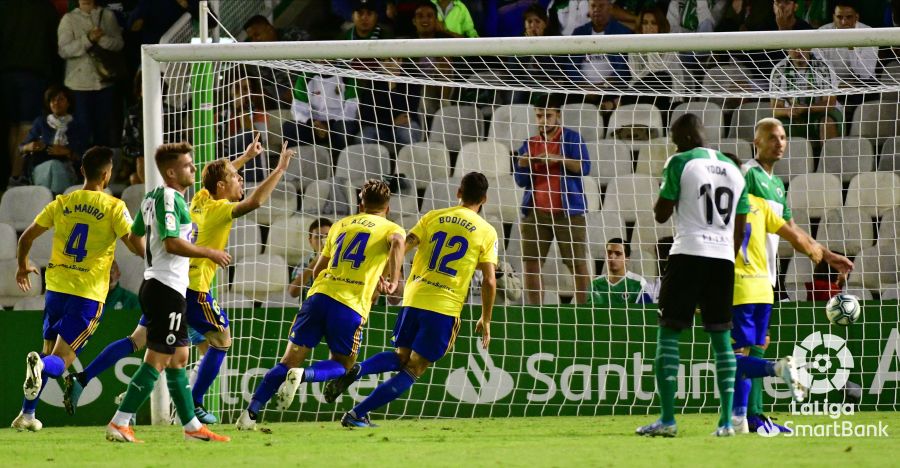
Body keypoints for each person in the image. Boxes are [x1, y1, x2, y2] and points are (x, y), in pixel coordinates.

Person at [65, 136, 292, 425]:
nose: (241, 180)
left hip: (167, 284)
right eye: (237, 178)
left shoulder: (199, 199)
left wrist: (245, 158)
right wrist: (280, 169)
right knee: (220, 341)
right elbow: (257, 200)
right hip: (193, 289)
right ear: (222, 187)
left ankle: (84, 378)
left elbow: (217, 180)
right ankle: (191, 405)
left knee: (140, 340)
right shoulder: (220, 210)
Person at [322, 172, 497, 427]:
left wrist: (386, 276)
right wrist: (486, 318)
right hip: (443, 306)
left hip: (413, 298)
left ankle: (358, 370)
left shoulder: (432, 217)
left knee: (401, 356)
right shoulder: (486, 231)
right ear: (484, 198)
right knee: (414, 368)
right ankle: (358, 413)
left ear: (458, 193)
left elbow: (402, 246)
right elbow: (490, 281)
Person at [235, 179, 405, 430]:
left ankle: (250, 414)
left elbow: (316, 270)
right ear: (387, 208)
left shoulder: (341, 225)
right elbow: (399, 243)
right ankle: (304, 376)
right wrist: (392, 279)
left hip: (318, 297)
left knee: (287, 361)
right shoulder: (392, 228)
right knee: (343, 364)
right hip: (349, 305)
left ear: (360, 204)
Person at [105, 142, 232, 443]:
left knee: (179, 357)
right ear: (172, 171)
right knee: (158, 359)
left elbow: (135, 236)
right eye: (188, 165)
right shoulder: (170, 198)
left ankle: (191, 427)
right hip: (165, 288)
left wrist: (151, 257)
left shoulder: (152, 197)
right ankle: (120, 422)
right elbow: (173, 243)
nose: (193, 169)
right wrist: (208, 252)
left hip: (163, 285)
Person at [10, 146, 144, 432]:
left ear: (82, 171)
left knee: (46, 353)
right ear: (107, 175)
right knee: (59, 360)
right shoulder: (114, 206)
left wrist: (22, 266)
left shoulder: (62, 202)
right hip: (87, 293)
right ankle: (40, 377)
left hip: (56, 288)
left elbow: (26, 238)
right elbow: (135, 246)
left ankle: (27, 414)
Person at [636, 113, 749, 437]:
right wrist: (726, 253)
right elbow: (739, 230)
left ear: (684, 138)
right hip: (723, 259)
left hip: (688, 253)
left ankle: (668, 420)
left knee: (669, 334)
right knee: (721, 340)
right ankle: (727, 423)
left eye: (673, 137)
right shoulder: (735, 169)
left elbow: (660, 214)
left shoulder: (680, 161)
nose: (672, 143)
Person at [730, 188, 853, 434]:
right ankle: (747, 418)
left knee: (734, 355)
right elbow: (795, 235)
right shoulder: (763, 203)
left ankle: (746, 412)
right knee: (751, 348)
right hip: (763, 284)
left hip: (735, 284)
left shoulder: (725, 206)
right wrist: (826, 255)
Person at [514, 95, 590, 304]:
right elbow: (520, 181)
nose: (543, 120)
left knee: (577, 263)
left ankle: (585, 311)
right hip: (536, 212)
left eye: (547, 115)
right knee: (531, 263)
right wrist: (523, 163)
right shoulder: (530, 144)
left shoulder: (572, 139)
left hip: (569, 212)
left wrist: (558, 159)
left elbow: (584, 167)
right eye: (539, 116)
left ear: (558, 115)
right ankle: (535, 311)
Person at [57, 0, 124, 147]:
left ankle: (103, 168)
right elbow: (64, 50)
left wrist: (102, 39)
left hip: (104, 81)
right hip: (78, 85)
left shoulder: (107, 16)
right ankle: (82, 167)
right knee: (82, 132)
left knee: (104, 131)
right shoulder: (69, 19)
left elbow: (119, 44)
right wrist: (88, 39)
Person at [19, 85, 88, 194]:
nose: (56, 103)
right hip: (41, 167)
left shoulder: (77, 125)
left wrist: (67, 152)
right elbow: (21, 148)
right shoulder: (41, 123)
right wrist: (29, 146)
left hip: (68, 168)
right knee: (51, 166)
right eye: (53, 100)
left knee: (55, 167)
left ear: (68, 102)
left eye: (60, 99)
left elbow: (85, 155)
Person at [770, 48, 842, 143]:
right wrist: (788, 111)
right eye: (793, 48)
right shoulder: (779, 70)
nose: (797, 52)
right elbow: (775, 109)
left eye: (801, 48)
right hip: (795, 116)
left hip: (823, 113)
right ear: (787, 50)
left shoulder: (823, 67)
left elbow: (830, 103)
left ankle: (829, 157)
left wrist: (806, 108)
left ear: (808, 47)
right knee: (773, 127)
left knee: (826, 123)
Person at [357, 58, 424, 152]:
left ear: (401, 61)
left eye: (394, 60)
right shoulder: (373, 80)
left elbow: (407, 112)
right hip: (381, 126)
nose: (390, 64)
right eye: (385, 60)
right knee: (363, 137)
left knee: (405, 134)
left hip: (406, 124)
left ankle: (411, 165)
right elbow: (366, 116)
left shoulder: (411, 76)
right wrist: (392, 123)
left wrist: (393, 87)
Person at [812, 2, 879, 84]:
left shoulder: (869, 34)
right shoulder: (821, 33)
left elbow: (865, 74)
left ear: (856, 17)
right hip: (832, 85)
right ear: (833, 17)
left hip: (862, 84)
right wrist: (838, 85)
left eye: (849, 17)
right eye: (839, 17)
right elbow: (821, 69)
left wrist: (851, 48)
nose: (844, 22)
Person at [572, 0, 633, 88]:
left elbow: (624, 68)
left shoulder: (623, 32)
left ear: (610, 8)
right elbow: (570, 65)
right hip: (581, 90)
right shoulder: (579, 32)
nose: (596, 9)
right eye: (593, 6)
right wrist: (583, 86)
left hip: (612, 90)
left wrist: (603, 87)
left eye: (601, 6)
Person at [587, 238, 649, 307]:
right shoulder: (595, 284)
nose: (612, 257)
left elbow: (646, 315)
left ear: (627, 259)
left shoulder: (639, 283)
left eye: (618, 254)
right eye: (609, 253)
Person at [288, 218, 334, 301]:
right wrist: (316, 260)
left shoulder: (342, 261)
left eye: (327, 236)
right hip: (309, 312)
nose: (322, 241)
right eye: (317, 237)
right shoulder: (305, 262)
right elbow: (293, 292)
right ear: (310, 241)